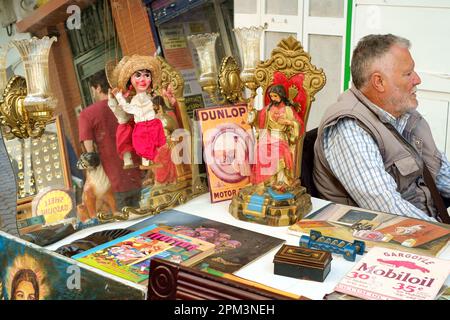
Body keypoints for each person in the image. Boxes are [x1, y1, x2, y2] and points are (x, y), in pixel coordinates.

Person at [313, 34, 450, 223]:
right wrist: (444, 237)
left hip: (425, 228)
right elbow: (388, 210)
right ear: (379, 82)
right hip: (384, 240)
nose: (417, 80)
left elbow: (441, 173)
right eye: (408, 73)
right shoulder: (349, 128)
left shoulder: (405, 115)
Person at [78, 70, 142, 211]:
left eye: (93, 90)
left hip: (112, 184)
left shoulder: (87, 115)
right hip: (141, 174)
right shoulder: (127, 105)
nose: (93, 93)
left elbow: (89, 154)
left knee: (126, 227)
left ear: (98, 88)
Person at [110, 55, 166, 168]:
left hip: (154, 124)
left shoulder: (152, 96)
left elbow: (160, 107)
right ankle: (148, 162)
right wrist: (118, 96)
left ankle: (157, 160)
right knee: (142, 145)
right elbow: (127, 108)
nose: (142, 79)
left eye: (147, 75)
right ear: (131, 81)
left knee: (156, 144)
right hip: (140, 127)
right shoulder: (135, 100)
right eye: (138, 75)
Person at [248, 84, 302, 190]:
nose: (273, 99)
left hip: (281, 137)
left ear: (281, 96)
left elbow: (299, 124)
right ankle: (266, 181)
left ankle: (281, 180)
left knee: (279, 151)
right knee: (259, 149)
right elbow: (259, 120)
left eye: (275, 96)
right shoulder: (268, 109)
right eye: (271, 96)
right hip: (268, 136)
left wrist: (288, 122)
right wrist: (251, 111)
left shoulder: (288, 110)